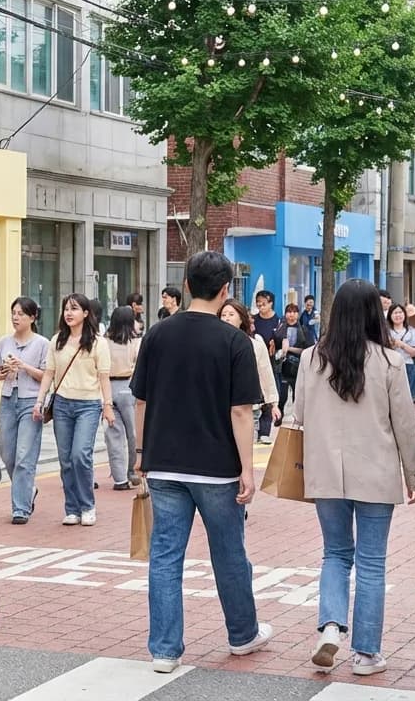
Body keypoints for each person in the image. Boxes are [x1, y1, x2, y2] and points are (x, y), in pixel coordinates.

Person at [132, 251, 271, 674]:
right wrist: (247, 469)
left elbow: (140, 399)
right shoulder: (235, 342)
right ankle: (243, 634)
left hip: (165, 464)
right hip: (217, 468)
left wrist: (141, 454)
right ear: (226, 290)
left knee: (166, 555)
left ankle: (164, 649)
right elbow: (241, 411)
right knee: (229, 554)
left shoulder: (157, 334)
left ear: (187, 286)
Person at [292, 278, 415, 677]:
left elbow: (298, 413)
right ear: (374, 314)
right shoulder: (389, 362)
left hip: (326, 470)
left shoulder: (311, 359)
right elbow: (404, 424)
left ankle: (330, 625)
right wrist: (414, 474)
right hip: (377, 471)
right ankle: (366, 653)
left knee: (335, 553)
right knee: (371, 562)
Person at [33, 294, 113, 526]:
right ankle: (72, 508)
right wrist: (39, 401)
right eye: (66, 309)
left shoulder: (98, 343)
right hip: (62, 405)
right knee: (66, 459)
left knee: (80, 456)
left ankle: (87, 505)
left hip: (88, 405)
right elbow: (48, 373)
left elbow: (104, 377)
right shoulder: (57, 340)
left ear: (86, 313)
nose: (69, 313)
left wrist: (107, 406)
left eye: (74, 309)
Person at [0, 297, 49, 523]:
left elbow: (47, 375)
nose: (16, 318)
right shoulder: (3, 342)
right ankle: (28, 489)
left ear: (32, 318)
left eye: (21, 314)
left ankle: (20, 508)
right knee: (7, 453)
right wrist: (4, 370)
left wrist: (24, 366)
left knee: (25, 454)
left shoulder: (42, 343)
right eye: (13, 313)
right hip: (8, 399)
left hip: (31, 401)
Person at [220, 299, 280, 438]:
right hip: (220, 408)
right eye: (223, 315)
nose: (227, 318)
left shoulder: (255, 345)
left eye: (231, 314)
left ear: (241, 318)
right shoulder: (213, 343)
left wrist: (273, 404)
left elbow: (265, 373)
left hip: (248, 408)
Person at [104, 307, 141, 491]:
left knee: (113, 433)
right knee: (132, 432)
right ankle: (131, 470)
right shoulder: (135, 342)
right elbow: (140, 365)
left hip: (108, 387)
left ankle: (119, 478)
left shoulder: (104, 341)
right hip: (128, 387)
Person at [251, 291, 280, 444]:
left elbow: (284, 338)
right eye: (258, 303)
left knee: (268, 394)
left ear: (271, 303)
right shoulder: (253, 321)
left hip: (272, 363)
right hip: (256, 363)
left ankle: (265, 430)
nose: (260, 307)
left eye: (263, 303)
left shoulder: (278, 321)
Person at [273, 304, 314, 407]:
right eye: (289, 312)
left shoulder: (304, 330)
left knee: (297, 394)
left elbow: (308, 349)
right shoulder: (280, 328)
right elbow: (275, 344)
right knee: (282, 395)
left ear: (298, 314)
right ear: (285, 314)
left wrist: (289, 349)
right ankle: (279, 415)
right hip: (281, 366)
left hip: (297, 366)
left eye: (294, 312)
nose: (291, 314)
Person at [386, 304, 415, 404]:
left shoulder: (412, 332)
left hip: (408, 364)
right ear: (390, 315)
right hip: (390, 365)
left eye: (400, 312)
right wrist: (392, 345)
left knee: (409, 396)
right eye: (395, 313)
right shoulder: (385, 332)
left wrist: (402, 345)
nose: (398, 315)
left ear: (404, 315)